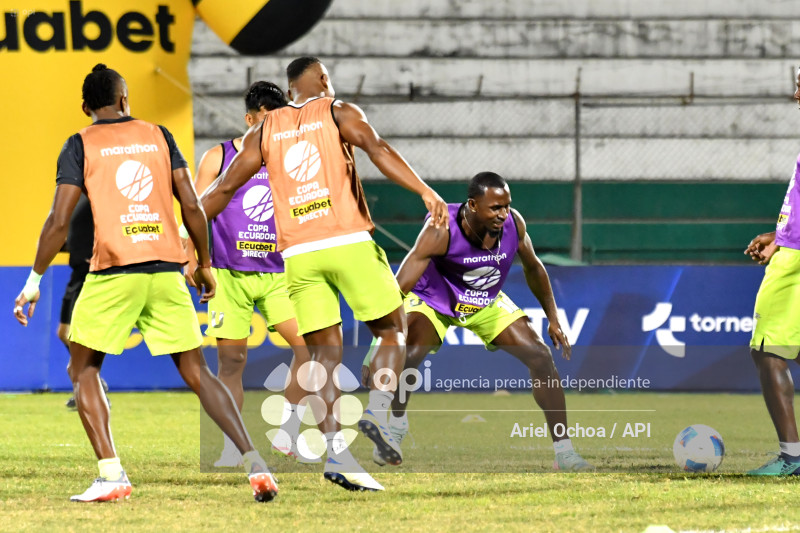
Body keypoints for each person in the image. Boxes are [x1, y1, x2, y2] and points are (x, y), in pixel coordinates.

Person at [12, 64, 278, 502]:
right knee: (197, 373)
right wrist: (204, 263)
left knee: (83, 369)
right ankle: (255, 464)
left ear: (85, 107)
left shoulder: (79, 143)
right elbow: (192, 204)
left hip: (115, 271)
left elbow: (59, 220)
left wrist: (34, 280)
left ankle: (112, 474)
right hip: (166, 270)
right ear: (124, 99)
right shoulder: (159, 135)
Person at [200, 56, 449, 491]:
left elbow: (222, 189)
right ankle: (375, 411)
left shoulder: (264, 130)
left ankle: (339, 456)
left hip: (298, 255)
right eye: (327, 76)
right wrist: (425, 191)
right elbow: (380, 150)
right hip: (347, 240)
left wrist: (181, 234)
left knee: (322, 359)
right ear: (320, 79)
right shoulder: (338, 111)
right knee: (393, 329)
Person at [363, 172, 594, 472]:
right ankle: (396, 425)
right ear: (472, 205)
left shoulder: (514, 224)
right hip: (435, 297)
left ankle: (564, 453)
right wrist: (378, 345)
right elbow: (399, 287)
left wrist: (553, 318)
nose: (503, 214)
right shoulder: (440, 229)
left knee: (540, 357)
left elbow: (534, 268)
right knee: (409, 355)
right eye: (495, 208)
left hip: (484, 300)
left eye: (507, 206)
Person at [187, 81, 317, 466]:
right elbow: (196, 212)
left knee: (311, 350)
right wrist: (193, 262)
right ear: (249, 119)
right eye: (263, 121)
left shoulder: (294, 159)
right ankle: (233, 447)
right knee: (232, 363)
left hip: (281, 273)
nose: (269, 130)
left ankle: (287, 433)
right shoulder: (219, 156)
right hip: (229, 274)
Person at [743, 71, 800, 475]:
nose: (796, 93)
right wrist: (779, 235)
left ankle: (792, 458)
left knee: (768, 351)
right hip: (791, 247)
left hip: (795, 263)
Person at [59, 193, 110, 410]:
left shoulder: (96, 196)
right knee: (64, 333)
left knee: (76, 335)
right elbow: (77, 235)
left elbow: (110, 225)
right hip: (77, 273)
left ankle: (92, 387)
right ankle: (92, 385)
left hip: (89, 273)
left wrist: (101, 254)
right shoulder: (77, 198)